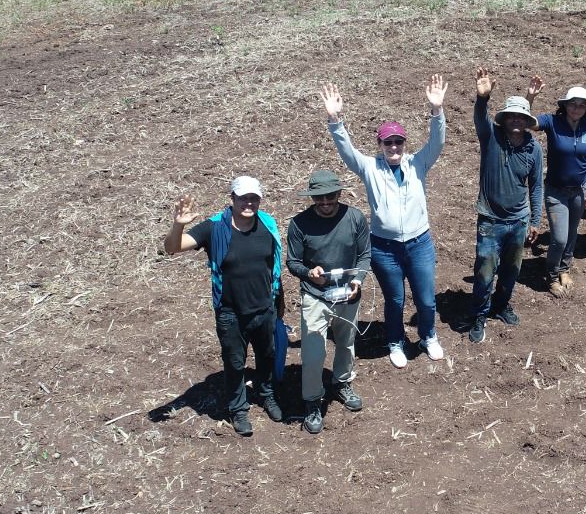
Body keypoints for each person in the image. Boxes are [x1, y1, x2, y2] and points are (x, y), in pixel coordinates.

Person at [322, 77, 448, 367]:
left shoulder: (418, 163)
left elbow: (437, 142)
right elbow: (347, 151)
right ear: (379, 144)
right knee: (395, 300)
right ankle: (395, 342)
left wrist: (436, 111)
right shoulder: (370, 167)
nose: (393, 146)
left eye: (398, 141)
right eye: (388, 142)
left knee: (426, 299)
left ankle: (428, 336)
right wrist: (335, 119)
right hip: (384, 248)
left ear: (404, 144)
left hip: (419, 243)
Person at [164, 176, 285, 436]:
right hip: (231, 313)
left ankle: (266, 395)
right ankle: (238, 409)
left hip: (265, 308)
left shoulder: (268, 224)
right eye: (243, 198)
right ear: (232, 198)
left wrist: (279, 301)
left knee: (267, 356)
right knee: (234, 362)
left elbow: (273, 267)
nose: (248, 203)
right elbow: (172, 248)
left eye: (254, 198)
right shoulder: (214, 227)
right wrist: (178, 225)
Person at [285, 169, 371, 435]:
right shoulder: (299, 224)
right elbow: (293, 262)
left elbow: (365, 255)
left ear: (339, 193)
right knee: (313, 354)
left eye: (330, 196)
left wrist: (358, 281)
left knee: (346, 343)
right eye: (318, 198)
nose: (324, 202)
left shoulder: (355, 218)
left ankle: (342, 382)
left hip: (348, 293)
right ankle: (312, 400)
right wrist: (309, 273)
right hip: (315, 295)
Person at [467, 71, 545, 342]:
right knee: (484, 272)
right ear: (504, 118)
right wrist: (482, 98)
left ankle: (501, 305)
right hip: (490, 220)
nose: (515, 119)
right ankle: (479, 314)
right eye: (511, 115)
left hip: (519, 221)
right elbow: (480, 118)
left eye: (521, 116)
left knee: (511, 271)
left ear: (527, 121)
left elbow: (536, 186)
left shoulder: (534, 149)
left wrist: (536, 220)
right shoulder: (491, 137)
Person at [533, 84, 586, 296]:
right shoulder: (552, 122)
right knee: (560, 238)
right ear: (565, 105)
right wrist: (530, 97)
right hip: (556, 192)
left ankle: (564, 268)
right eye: (573, 104)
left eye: (582, 105)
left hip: (580, 189)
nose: (576, 109)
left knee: (572, 233)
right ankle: (552, 276)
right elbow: (528, 122)